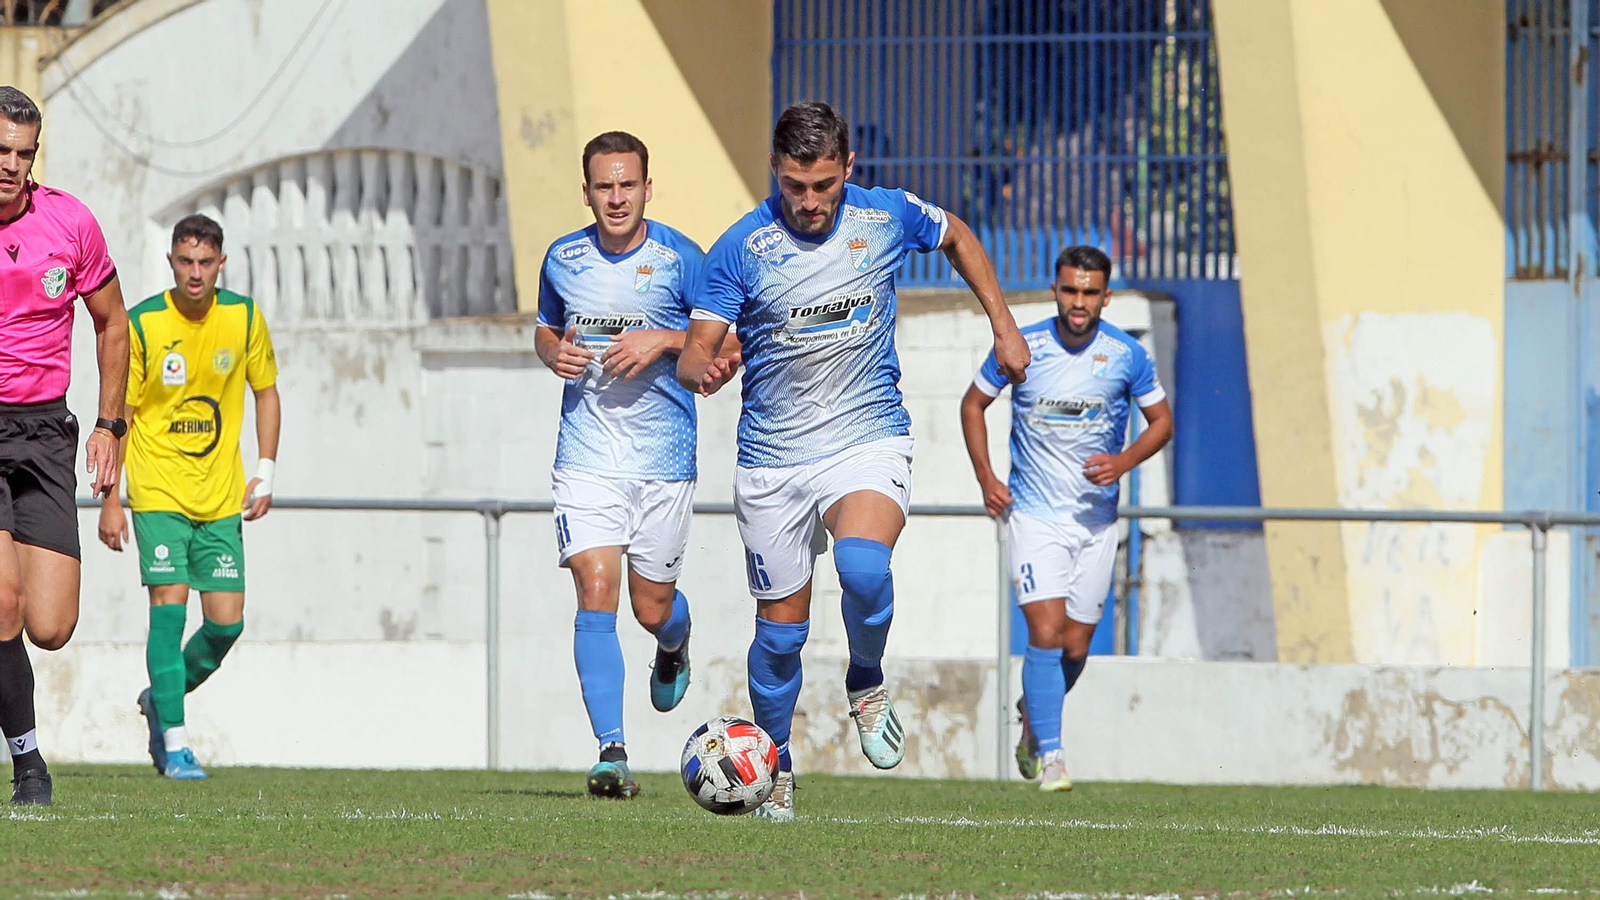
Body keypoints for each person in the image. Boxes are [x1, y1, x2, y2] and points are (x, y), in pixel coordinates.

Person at [678, 101, 1030, 821]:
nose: (809, 203)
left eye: (824, 186)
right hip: (773, 460)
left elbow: (957, 235)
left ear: (848, 171)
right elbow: (694, 351)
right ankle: (774, 765)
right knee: (780, 637)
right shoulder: (741, 248)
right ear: (775, 171)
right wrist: (703, 372)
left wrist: (1003, 323)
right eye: (795, 186)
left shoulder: (886, 216)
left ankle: (865, 681)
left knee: (865, 569)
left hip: (866, 437)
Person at [535, 131, 734, 799]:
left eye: (627, 185)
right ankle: (612, 752)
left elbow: (728, 338)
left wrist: (668, 339)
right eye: (603, 186)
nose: (615, 198)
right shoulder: (561, 257)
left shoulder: (683, 259)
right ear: (586, 190)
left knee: (651, 609)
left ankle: (673, 642)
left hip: (663, 459)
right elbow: (545, 324)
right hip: (585, 456)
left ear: (648, 187)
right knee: (595, 590)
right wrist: (549, 351)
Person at [959, 244, 1173, 792]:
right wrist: (988, 478)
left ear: (1106, 295)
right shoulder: (1022, 346)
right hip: (1034, 516)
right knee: (1046, 632)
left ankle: (1033, 717)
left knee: (1075, 647)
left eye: (1091, 292)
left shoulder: (1127, 355)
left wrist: (1124, 461)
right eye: (1070, 290)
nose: (1079, 302)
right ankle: (1052, 757)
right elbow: (973, 405)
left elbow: (1161, 422)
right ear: (1056, 289)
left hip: (1097, 523)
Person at [98, 214, 280, 781]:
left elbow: (267, 393)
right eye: (185, 261)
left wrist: (267, 471)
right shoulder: (146, 323)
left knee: (226, 623)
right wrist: (111, 497)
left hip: (222, 496)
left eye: (205, 262)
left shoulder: (244, 316)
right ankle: (175, 744)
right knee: (167, 612)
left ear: (220, 263)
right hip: (157, 491)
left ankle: (159, 698)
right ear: (172, 262)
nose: (194, 273)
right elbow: (122, 412)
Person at [0, 86, 129, 805]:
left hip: (46, 430)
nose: (11, 167)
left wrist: (111, 425)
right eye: (0, 152)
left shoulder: (71, 223)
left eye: (23, 154)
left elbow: (113, 325)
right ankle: (28, 764)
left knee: (49, 626)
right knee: (3, 605)